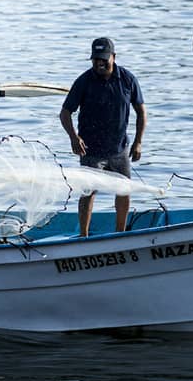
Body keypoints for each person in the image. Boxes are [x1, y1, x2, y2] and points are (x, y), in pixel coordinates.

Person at [59, 37, 147, 237]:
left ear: (113, 58)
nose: (99, 63)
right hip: (91, 150)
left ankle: (120, 233)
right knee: (88, 191)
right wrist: (74, 137)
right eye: (95, 59)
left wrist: (138, 142)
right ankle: (84, 235)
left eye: (104, 60)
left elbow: (141, 111)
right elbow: (65, 113)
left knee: (124, 189)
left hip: (119, 148)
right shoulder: (84, 81)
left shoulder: (127, 79)